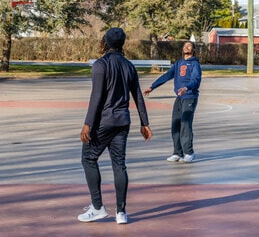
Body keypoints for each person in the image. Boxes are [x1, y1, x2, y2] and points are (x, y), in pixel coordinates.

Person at [78, 28, 153, 225]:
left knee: (88, 158)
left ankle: (97, 207)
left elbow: (97, 97)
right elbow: (137, 95)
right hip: (123, 122)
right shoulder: (129, 66)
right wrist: (145, 123)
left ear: (105, 42)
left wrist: (87, 124)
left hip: (103, 122)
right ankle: (121, 212)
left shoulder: (100, 65)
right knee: (119, 165)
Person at [144, 41, 201, 163]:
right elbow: (167, 75)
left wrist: (186, 88)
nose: (186, 47)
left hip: (190, 97)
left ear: (193, 50)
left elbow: (195, 80)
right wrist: (153, 86)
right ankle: (177, 152)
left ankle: (189, 153)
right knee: (175, 124)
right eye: (185, 45)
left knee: (185, 124)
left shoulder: (195, 64)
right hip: (179, 98)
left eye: (189, 45)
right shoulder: (178, 63)